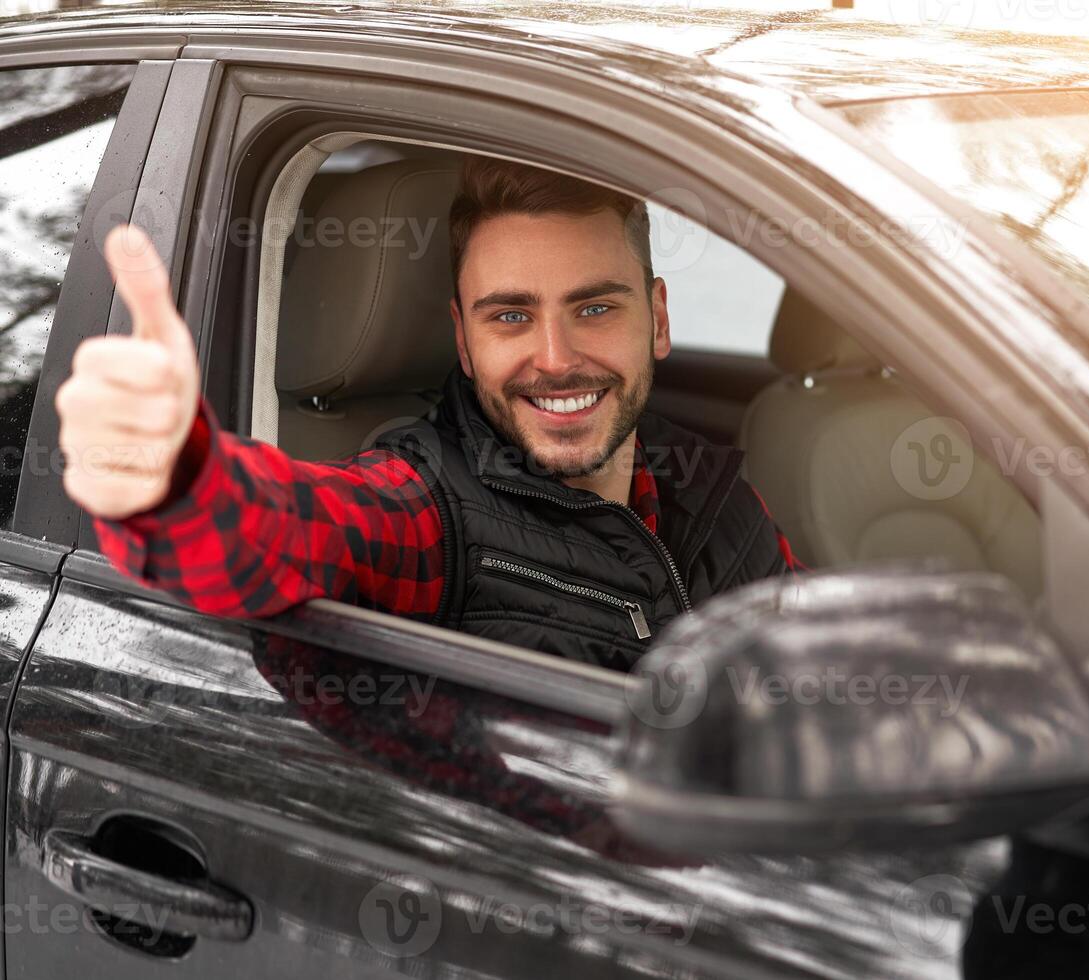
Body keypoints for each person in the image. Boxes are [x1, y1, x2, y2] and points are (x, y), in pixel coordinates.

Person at [57, 156, 802, 671]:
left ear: (658, 319)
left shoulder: (713, 487)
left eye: (595, 306)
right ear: (464, 343)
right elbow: (301, 529)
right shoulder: (427, 509)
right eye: (510, 317)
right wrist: (178, 483)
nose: (555, 356)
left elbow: (821, 661)